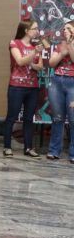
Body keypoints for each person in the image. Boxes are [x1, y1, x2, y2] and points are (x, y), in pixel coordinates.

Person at [2, 21, 42, 158]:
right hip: (17, 86)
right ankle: (7, 147)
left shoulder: (35, 46)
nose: (37, 31)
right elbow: (19, 61)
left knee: (29, 118)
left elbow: (40, 66)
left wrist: (31, 61)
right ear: (26, 30)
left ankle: (28, 148)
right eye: (34, 28)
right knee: (11, 117)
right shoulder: (14, 43)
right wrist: (33, 55)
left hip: (32, 87)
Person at [47, 21, 74, 163]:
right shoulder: (59, 45)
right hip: (57, 81)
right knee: (57, 118)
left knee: (73, 119)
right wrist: (62, 52)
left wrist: (70, 45)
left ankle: (73, 153)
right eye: (64, 29)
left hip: (72, 83)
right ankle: (54, 151)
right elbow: (51, 63)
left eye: (68, 28)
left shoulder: (69, 44)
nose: (65, 31)